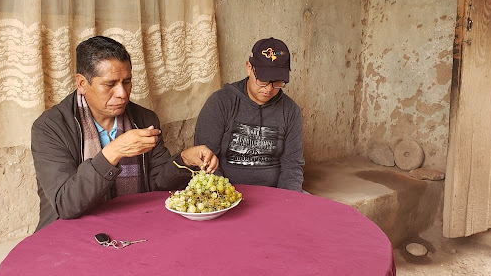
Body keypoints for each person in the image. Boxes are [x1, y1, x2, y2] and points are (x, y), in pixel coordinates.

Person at [31, 36, 218, 231]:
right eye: (110, 84)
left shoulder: (144, 119)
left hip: (134, 225)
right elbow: (66, 205)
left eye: (126, 82)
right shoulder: (50, 128)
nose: (122, 93)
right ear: (82, 83)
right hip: (68, 233)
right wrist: (114, 152)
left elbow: (158, 184)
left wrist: (184, 160)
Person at [194, 37, 304, 191]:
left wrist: (285, 200)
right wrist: (224, 197)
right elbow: (204, 160)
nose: (269, 89)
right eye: (263, 80)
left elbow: (292, 166)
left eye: (277, 82)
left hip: (274, 192)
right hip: (226, 192)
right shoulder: (221, 103)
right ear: (249, 68)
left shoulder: (290, 111)